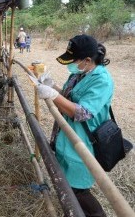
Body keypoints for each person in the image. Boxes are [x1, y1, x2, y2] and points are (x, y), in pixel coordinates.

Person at [37, 34, 112, 217]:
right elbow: (68, 97)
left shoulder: (102, 80)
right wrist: (53, 87)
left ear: (88, 60)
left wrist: (53, 96)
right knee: (68, 185)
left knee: (78, 190)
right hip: (66, 138)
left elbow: (83, 112)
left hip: (83, 142)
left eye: (74, 60)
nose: (71, 65)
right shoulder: (78, 73)